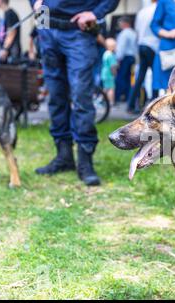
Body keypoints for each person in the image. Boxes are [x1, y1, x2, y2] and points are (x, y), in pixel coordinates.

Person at [30, 0, 119, 186]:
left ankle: (85, 161)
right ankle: (64, 157)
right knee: (55, 96)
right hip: (46, 25)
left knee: (81, 97)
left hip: (79, 31)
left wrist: (95, 14)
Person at [127, 0, 160, 113]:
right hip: (153, 45)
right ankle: (154, 106)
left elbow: (137, 29)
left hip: (142, 45)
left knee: (140, 77)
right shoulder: (159, 9)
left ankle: (130, 105)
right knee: (156, 76)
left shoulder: (142, 11)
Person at [114, 16, 137, 108]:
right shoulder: (133, 33)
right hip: (132, 57)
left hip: (124, 58)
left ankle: (118, 97)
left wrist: (118, 59)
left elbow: (121, 48)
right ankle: (128, 97)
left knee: (120, 78)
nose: (119, 25)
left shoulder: (124, 34)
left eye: (120, 23)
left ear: (125, 23)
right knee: (129, 78)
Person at [0, 0, 21, 64]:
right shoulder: (7, 13)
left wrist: (5, 49)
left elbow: (12, 33)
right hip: (10, 50)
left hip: (12, 51)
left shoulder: (9, 13)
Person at [101, 38, 118, 106]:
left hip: (104, 73)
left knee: (105, 88)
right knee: (111, 89)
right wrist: (114, 73)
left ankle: (101, 100)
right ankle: (111, 102)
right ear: (112, 47)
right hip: (109, 74)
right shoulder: (111, 55)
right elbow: (112, 66)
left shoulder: (105, 53)